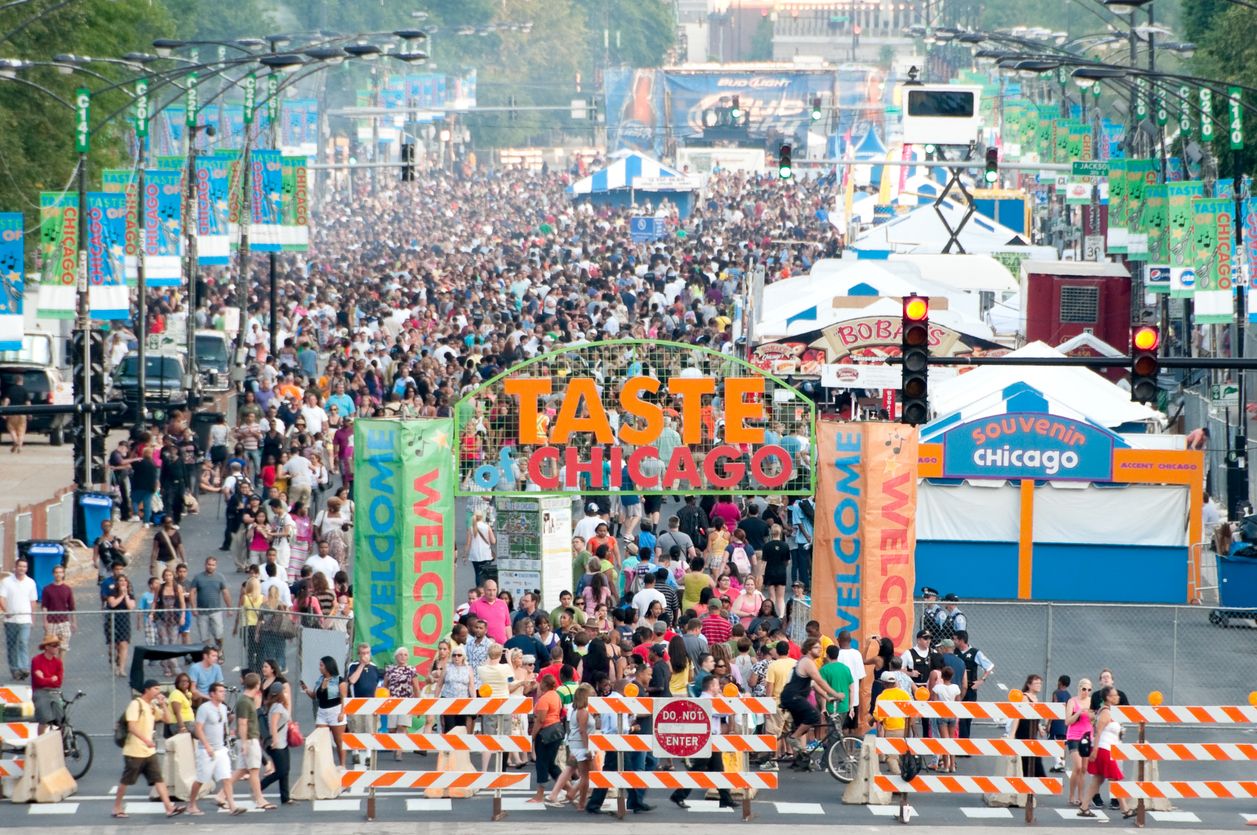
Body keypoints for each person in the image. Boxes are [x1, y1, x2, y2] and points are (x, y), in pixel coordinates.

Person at [112, 679, 186, 818]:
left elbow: (168, 720)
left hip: (148, 751)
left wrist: (163, 704)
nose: (158, 692)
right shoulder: (136, 704)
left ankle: (169, 807)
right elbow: (132, 727)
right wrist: (146, 740)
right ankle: (117, 807)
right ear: (147, 690)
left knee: (158, 779)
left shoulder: (151, 706)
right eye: (156, 689)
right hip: (134, 751)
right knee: (126, 780)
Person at [780, 637, 842, 770]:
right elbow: (819, 680)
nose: (820, 649)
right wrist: (836, 694)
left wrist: (828, 697)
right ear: (808, 649)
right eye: (816, 647)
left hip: (791, 696)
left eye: (820, 647)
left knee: (800, 725)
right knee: (813, 716)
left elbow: (813, 684)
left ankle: (800, 761)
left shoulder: (806, 662)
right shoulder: (807, 662)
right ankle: (793, 738)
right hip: (793, 696)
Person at [187, 682, 242, 816]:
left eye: (224, 691)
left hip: (220, 748)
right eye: (220, 691)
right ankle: (191, 804)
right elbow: (198, 729)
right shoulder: (204, 709)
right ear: (212, 694)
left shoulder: (223, 708)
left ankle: (232, 806)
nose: (223, 693)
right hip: (206, 750)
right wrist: (206, 746)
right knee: (201, 779)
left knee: (226, 777)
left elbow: (222, 726)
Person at [1077, 686, 1133, 818]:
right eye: (1114, 695)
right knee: (1114, 778)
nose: (1118, 697)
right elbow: (1098, 732)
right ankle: (1125, 809)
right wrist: (1095, 750)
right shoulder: (1105, 712)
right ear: (1108, 698)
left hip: (1106, 748)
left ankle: (1084, 808)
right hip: (1103, 749)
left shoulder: (1108, 711)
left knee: (1098, 779)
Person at [300, 655, 347, 767]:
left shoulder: (339, 680)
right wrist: (306, 689)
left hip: (335, 711)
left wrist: (342, 712)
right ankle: (324, 766)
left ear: (328, 666)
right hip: (322, 711)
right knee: (320, 739)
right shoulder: (320, 679)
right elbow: (315, 696)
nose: (319, 668)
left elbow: (344, 697)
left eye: (321, 665)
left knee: (338, 741)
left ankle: (342, 765)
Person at [527, 674, 564, 804]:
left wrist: (533, 735)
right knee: (550, 764)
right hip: (556, 730)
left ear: (544, 684)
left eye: (541, 682)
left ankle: (539, 795)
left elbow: (540, 720)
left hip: (546, 733)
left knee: (542, 763)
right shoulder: (556, 696)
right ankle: (569, 788)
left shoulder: (544, 699)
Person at [1, 557, 38, 679]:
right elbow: (2, 598)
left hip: (25, 619)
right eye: (20, 566)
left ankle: (24, 667)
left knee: (23, 642)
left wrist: (33, 617)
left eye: (24, 566)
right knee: (12, 645)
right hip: (11, 620)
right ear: (15, 567)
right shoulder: (7, 582)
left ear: (27, 569)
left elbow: (33, 601)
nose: (22, 569)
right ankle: (14, 669)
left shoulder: (30, 583)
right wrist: (7, 611)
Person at [953, 629, 992, 739]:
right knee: (957, 715)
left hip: (970, 689)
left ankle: (965, 743)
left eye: (955, 639)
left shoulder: (975, 653)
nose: (953, 641)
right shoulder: (954, 652)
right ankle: (958, 742)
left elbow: (989, 666)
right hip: (956, 687)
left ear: (961, 640)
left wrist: (981, 680)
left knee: (967, 715)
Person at [187, 557, 231, 654]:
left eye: (213, 565)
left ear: (216, 566)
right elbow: (192, 592)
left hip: (216, 611)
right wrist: (193, 608)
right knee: (204, 636)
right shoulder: (198, 577)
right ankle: (209, 655)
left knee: (218, 634)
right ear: (205, 565)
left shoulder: (220, 577)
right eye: (209, 564)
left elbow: (225, 593)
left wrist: (229, 608)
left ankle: (219, 651)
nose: (210, 567)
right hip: (202, 612)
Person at [259, 682, 293, 804]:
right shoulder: (277, 707)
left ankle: (285, 797)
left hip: (282, 742)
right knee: (281, 771)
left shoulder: (276, 705)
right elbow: (273, 725)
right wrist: (274, 740)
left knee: (285, 770)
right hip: (277, 743)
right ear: (280, 693)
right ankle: (259, 787)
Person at [1065, 678, 1094, 806]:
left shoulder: (1091, 702)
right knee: (1077, 766)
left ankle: (1081, 797)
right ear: (1079, 688)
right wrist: (1078, 712)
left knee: (1084, 769)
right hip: (1073, 736)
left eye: (1089, 690)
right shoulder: (1072, 701)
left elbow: (1095, 719)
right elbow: (1067, 721)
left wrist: (1091, 714)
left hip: (1087, 736)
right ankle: (1071, 795)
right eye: (1084, 689)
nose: (1086, 692)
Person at [345, 642, 382, 739]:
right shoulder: (353, 665)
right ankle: (356, 752)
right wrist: (362, 665)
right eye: (363, 653)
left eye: (367, 653)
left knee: (371, 731)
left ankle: (369, 753)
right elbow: (352, 680)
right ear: (359, 654)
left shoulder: (374, 667)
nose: (366, 655)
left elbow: (377, 686)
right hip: (356, 704)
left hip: (371, 704)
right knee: (357, 731)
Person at [1015, 674, 1047, 779]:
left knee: (1034, 759)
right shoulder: (1025, 697)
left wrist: (1039, 727)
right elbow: (1017, 716)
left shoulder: (1035, 698)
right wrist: (1012, 734)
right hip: (1024, 732)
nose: (1039, 685)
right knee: (1028, 760)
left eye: (1040, 683)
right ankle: (1039, 783)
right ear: (1029, 685)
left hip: (1032, 732)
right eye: (1036, 683)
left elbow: (1033, 716)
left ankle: (1035, 784)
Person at [39, 564, 75, 658]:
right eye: (56, 572)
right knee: (51, 647)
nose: (58, 574)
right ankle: (52, 669)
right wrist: (45, 621)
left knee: (63, 648)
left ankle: (60, 670)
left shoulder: (67, 589)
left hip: (64, 621)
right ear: (53, 574)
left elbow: (71, 607)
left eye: (60, 572)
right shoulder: (47, 589)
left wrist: (73, 622)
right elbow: (44, 606)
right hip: (51, 622)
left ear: (63, 574)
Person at [104, 573, 135, 678]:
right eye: (120, 581)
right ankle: (114, 659)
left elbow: (131, 607)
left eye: (124, 581)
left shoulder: (130, 594)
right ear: (117, 582)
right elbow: (112, 604)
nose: (122, 583)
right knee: (113, 645)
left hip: (124, 619)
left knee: (123, 644)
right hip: (113, 619)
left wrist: (126, 596)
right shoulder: (112, 592)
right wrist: (121, 595)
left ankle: (121, 669)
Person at [31, 634, 64, 732]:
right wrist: (51, 679)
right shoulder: (37, 660)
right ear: (47, 647)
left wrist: (45, 678)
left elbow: (58, 683)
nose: (57, 647)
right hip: (40, 691)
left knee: (61, 718)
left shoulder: (58, 663)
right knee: (44, 719)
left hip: (54, 691)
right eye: (55, 645)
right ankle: (41, 742)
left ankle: (61, 741)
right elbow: (39, 682)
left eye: (58, 645)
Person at [463, 510, 497, 587]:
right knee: (486, 574)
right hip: (486, 555)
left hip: (474, 555)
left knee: (477, 573)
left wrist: (464, 555)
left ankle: (478, 590)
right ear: (482, 517)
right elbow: (493, 541)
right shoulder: (487, 527)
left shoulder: (471, 528)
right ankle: (485, 589)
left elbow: (467, 544)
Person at [2, 371, 30, 452]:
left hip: (12, 412)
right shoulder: (25, 390)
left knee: (12, 429)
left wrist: (4, 411)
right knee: (21, 430)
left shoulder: (10, 390)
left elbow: (6, 400)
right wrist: (29, 413)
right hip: (22, 413)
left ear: (15, 381)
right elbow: (28, 403)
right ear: (22, 381)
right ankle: (20, 446)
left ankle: (15, 441)